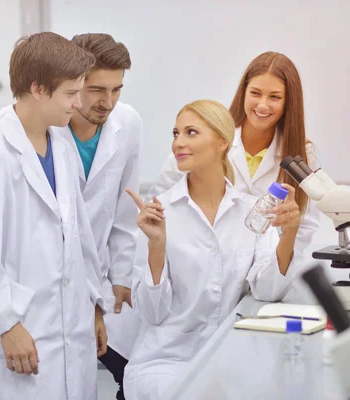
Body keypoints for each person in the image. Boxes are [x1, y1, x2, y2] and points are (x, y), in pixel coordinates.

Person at [0, 32, 107, 400]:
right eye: (70, 93)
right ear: (37, 88)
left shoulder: (62, 149)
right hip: (20, 335)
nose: (79, 103)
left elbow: (80, 239)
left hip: (71, 335)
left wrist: (95, 307)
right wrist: (7, 325)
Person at [123, 100, 301, 399]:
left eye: (191, 132)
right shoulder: (159, 211)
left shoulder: (251, 212)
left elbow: (268, 289)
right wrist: (156, 245)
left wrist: (289, 233)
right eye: (176, 133)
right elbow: (152, 314)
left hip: (230, 358)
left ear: (223, 142)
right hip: (166, 362)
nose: (178, 142)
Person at [149, 52, 320, 259]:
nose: (263, 105)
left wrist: (275, 269)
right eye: (255, 93)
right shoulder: (205, 141)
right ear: (243, 93)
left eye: (274, 97)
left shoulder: (303, 154)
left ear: (288, 102)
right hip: (202, 267)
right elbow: (159, 203)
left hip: (266, 277)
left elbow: (304, 225)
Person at [51, 33, 141, 400]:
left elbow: (123, 208)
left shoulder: (128, 122)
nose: (108, 102)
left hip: (102, 274)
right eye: (96, 90)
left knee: (117, 372)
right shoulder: (51, 126)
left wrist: (120, 275)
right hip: (54, 278)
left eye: (116, 89)